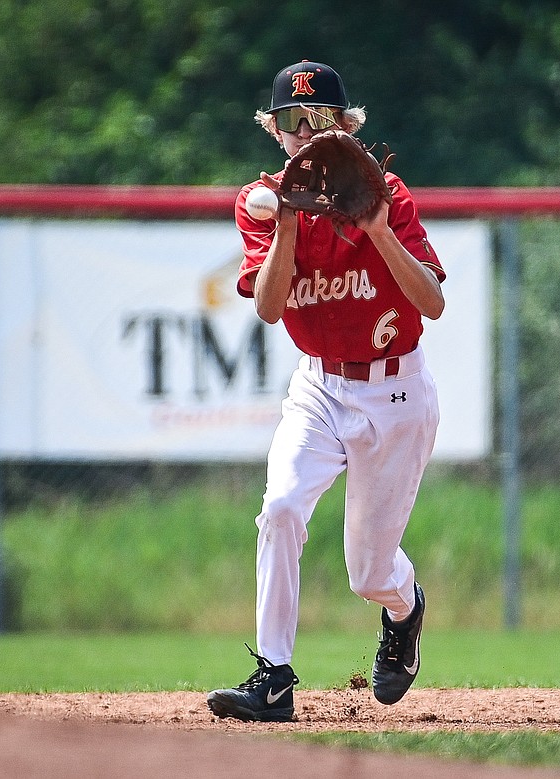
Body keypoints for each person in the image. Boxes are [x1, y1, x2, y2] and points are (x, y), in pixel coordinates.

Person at [206, 60, 445, 723]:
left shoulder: (388, 195)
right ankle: (274, 678)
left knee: (368, 573)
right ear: (275, 133)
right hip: (319, 388)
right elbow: (271, 307)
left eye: (318, 121)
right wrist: (285, 221)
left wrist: (376, 228)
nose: (304, 134)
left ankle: (404, 607)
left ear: (345, 127)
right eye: (291, 122)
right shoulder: (261, 204)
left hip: (396, 394)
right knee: (281, 506)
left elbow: (431, 302)